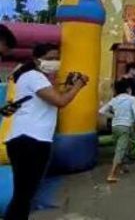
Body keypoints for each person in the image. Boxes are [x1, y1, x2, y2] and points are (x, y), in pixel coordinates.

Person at [3, 43, 88, 220]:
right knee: (24, 195)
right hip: (31, 140)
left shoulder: (33, 78)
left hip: (28, 139)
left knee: (24, 195)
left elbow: (53, 100)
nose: (54, 62)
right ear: (36, 59)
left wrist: (68, 87)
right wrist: (78, 85)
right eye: (50, 58)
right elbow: (60, 101)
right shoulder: (34, 76)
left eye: (57, 58)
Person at [99, 79, 135, 183]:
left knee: (122, 146)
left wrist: (113, 116)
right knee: (120, 150)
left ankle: (123, 167)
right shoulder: (131, 99)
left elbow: (101, 111)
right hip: (125, 127)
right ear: (128, 89)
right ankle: (111, 174)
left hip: (115, 126)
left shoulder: (114, 100)